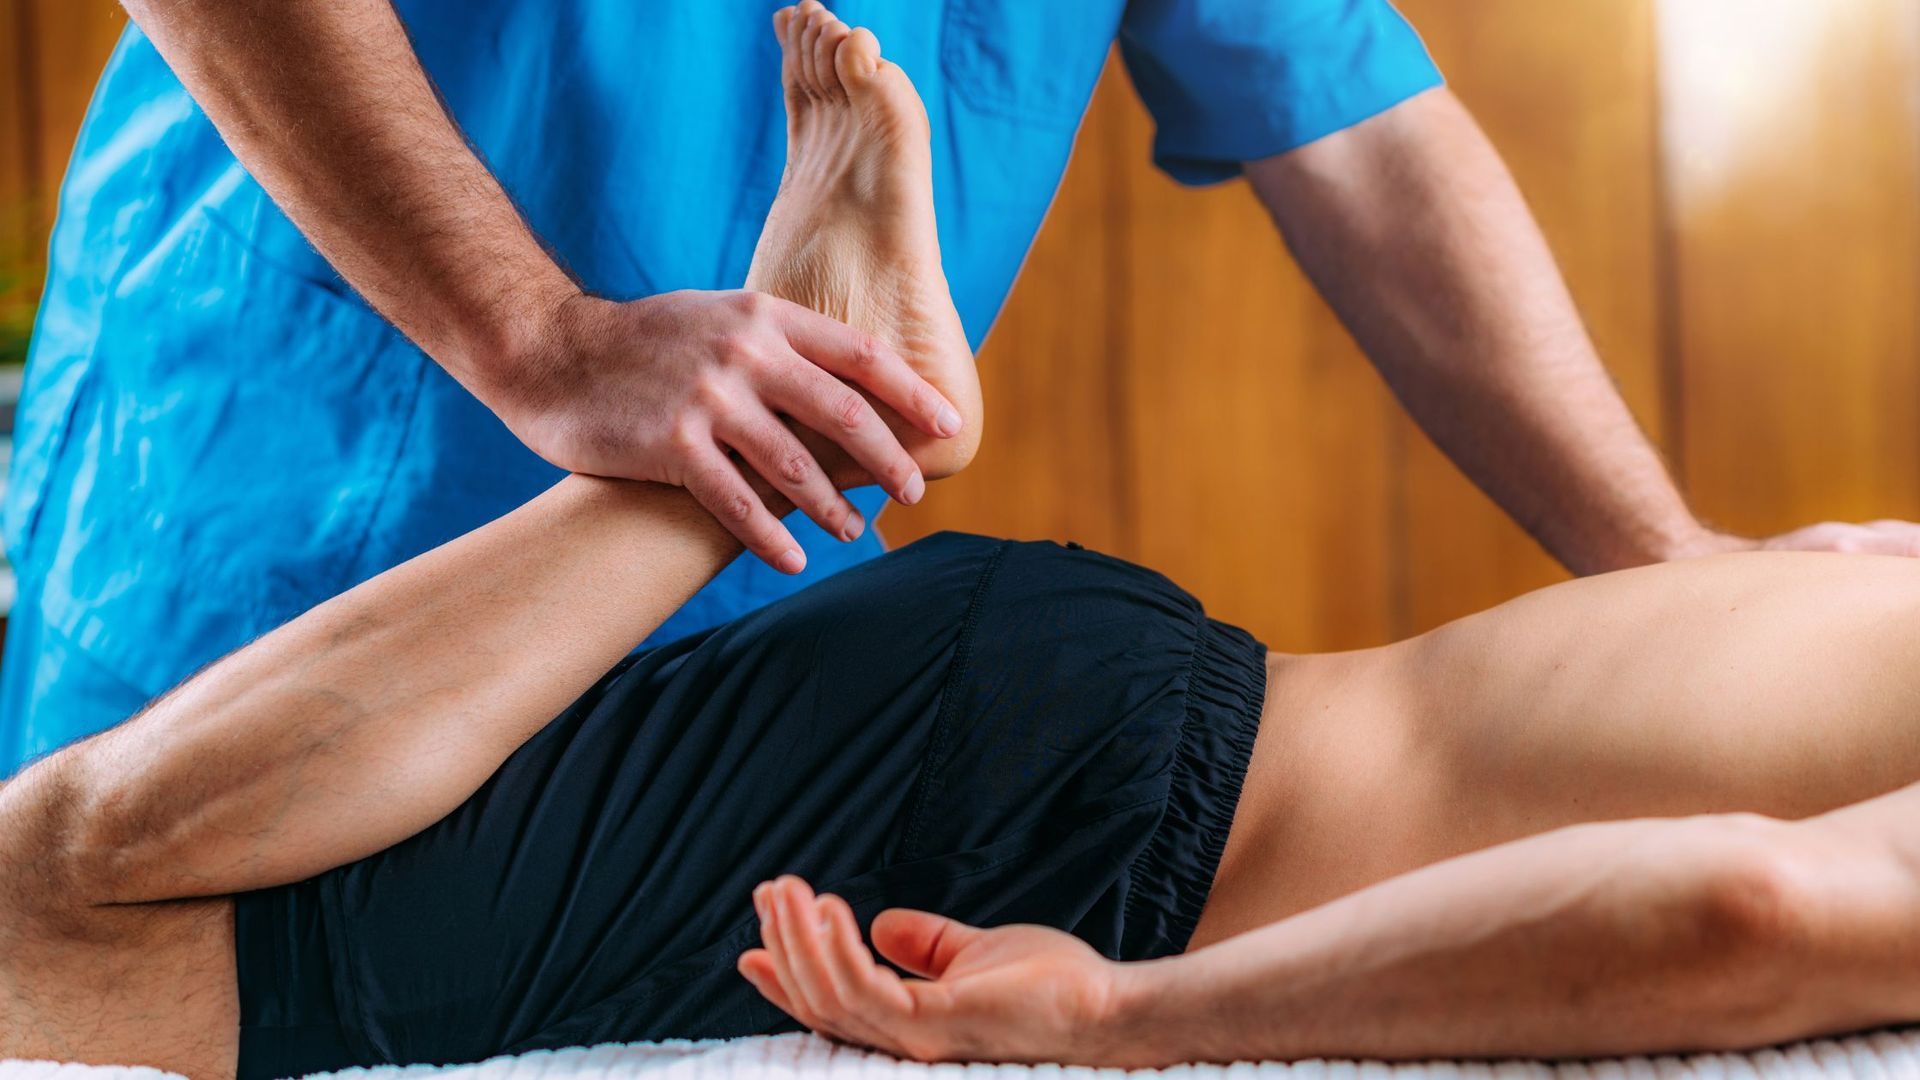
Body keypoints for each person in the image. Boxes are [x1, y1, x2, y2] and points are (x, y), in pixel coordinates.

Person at [7, 18, 1920, 1076]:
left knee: (57, 895)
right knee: (47, 913)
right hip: (327, 455)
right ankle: (839, 388)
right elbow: (1745, 911)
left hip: (1049, 705)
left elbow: (1361, 134)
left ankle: (830, 392)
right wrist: (1117, 1017)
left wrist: (1680, 561)